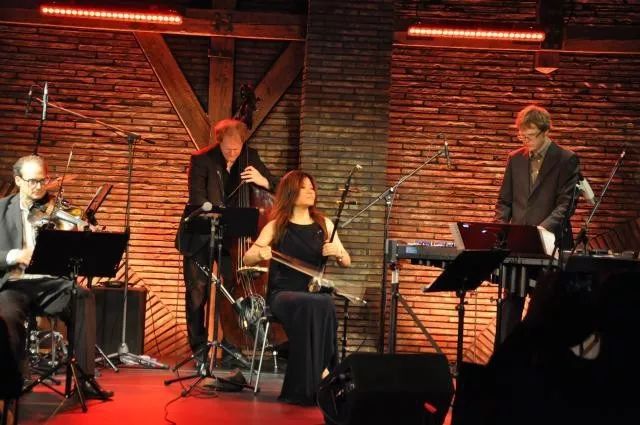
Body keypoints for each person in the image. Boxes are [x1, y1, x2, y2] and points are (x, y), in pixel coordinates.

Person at [0, 154, 112, 399]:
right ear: (18, 180)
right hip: (14, 283)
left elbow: (73, 252)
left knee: (83, 296)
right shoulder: (1, 209)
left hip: (49, 283)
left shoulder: (56, 209)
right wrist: (16, 255)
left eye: (43, 180)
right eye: (32, 181)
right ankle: (10, 383)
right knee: (6, 315)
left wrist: (82, 236)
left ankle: (85, 379)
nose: (39, 186)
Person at [175, 118, 277, 370]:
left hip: (233, 238)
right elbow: (198, 199)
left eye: (237, 148)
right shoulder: (201, 160)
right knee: (197, 292)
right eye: (228, 148)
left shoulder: (250, 156)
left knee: (233, 291)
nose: (233, 153)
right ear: (219, 141)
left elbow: (276, 187)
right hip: (201, 235)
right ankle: (199, 348)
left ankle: (231, 346)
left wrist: (263, 181)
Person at [243, 170, 351, 405]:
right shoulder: (277, 226)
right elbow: (247, 257)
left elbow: (346, 261)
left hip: (313, 294)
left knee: (323, 300)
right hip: (282, 295)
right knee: (317, 303)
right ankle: (321, 373)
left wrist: (338, 252)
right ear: (291, 192)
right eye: (304, 187)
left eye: (312, 187)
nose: (311, 191)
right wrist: (260, 253)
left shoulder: (324, 224)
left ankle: (320, 371)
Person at [495, 104, 580, 343]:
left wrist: (542, 230)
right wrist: (500, 229)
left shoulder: (566, 159)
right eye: (522, 136)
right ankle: (505, 357)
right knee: (511, 304)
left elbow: (566, 204)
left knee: (544, 308)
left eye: (530, 136)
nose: (525, 141)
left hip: (549, 244)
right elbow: (504, 201)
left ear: (545, 131)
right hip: (518, 244)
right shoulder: (515, 159)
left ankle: (539, 358)